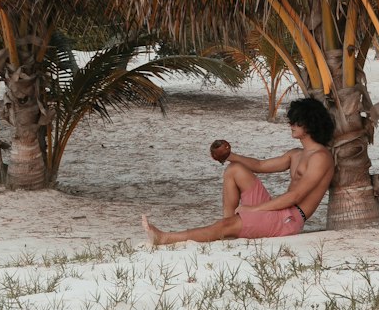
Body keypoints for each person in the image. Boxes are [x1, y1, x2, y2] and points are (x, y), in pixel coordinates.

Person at [142, 98, 336, 246]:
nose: (290, 124)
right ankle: (230, 224)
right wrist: (228, 156)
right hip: (278, 209)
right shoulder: (296, 154)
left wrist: (253, 209)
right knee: (234, 169)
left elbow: (296, 196)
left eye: (295, 121)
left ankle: (165, 238)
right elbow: (259, 165)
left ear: (309, 123)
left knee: (226, 226)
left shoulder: (320, 157)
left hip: (289, 219)